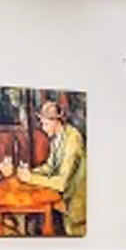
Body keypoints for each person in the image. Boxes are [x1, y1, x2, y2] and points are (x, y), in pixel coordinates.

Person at [15, 98, 86, 235]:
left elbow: (61, 183)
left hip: (76, 207)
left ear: (56, 121)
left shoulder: (73, 139)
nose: (43, 128)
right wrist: (30, 172)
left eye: (45, 124)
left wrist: (30, 178)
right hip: (63, 201)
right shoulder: (57, 138)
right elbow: (49, 167)